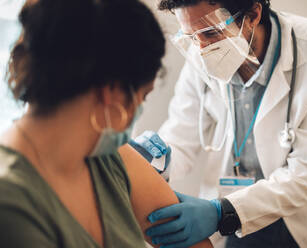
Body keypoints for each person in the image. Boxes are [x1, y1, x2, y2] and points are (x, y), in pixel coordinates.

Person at [130, 0, 307, 247]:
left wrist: (222, 213)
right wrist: (158, 157)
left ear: (253, 15)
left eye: (210, 33)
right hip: (238, 215)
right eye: (190, 37)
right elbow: (182, 134)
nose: (201, 50)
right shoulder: (199, 54)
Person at [0, 0, 214, 247]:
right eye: (142, 96)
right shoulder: (10, 201)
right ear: (111, 92)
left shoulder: (107, 157)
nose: (138, 110)